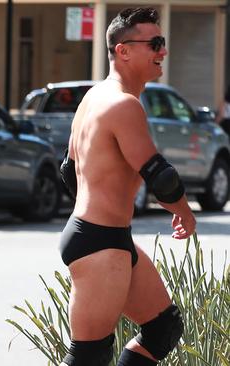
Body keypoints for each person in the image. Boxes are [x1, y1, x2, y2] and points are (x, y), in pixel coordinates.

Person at [58, 8, 196, 366]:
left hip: (107, 237)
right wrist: (183, 213)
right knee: (89, 357)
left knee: (163, 328)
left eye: (161, 44)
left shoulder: (93, 98)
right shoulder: (122, 104)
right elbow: (160, 175)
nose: (162, 52)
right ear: (123, 50)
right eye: (155, 44)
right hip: (99, 242)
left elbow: (68, 172)